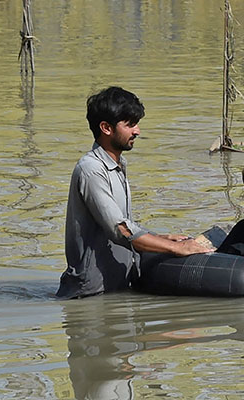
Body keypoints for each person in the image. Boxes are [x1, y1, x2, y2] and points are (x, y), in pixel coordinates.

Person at [58, 86, 210, 299]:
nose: (137, 131)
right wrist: (178, 248)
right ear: (106, 128)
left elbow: (124, 224)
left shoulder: (118, 164)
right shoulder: (91, 169)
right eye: (130, 125)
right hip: (90, 296)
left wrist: (160, 237)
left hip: (115, 289)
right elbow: (120, 230)